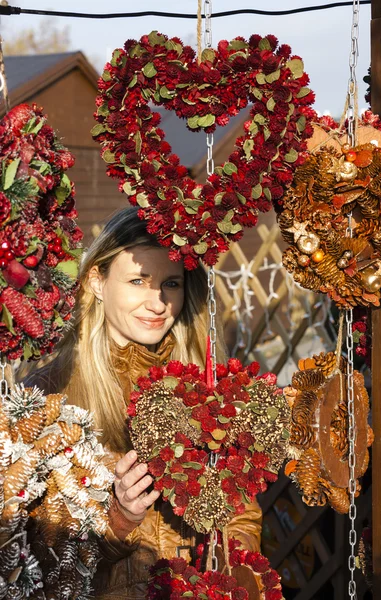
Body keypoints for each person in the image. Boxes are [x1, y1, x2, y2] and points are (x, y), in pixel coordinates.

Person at [25, 207, 263, 600]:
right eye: (138, 280)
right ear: (97, 282)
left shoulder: (204, 382)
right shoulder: (52, 391)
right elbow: (36, 555)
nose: (158, 303)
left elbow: (243, 512)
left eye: (171, 284)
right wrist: (118, 518)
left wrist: (229, 565)